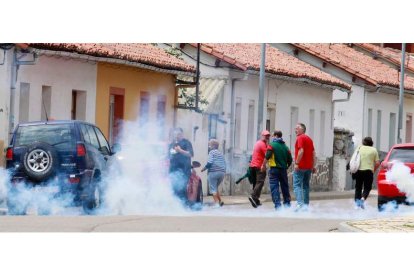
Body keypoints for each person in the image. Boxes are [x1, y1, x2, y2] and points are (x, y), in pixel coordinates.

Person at [265, 130, 293, 210]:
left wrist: (263, 165)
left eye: (273, 135)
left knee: (274, 187)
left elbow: (267, 156)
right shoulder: (286, 147)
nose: (272, 137)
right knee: (284, 186)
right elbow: (290, 160)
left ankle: (278, 205)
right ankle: (287, 204)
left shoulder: (271, 145)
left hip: (274, 169)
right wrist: (286, 166)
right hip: (283, 170)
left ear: (276, 136)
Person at [293, 123, 316, 211]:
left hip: (300, 166)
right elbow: (313, 154)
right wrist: (313, 166)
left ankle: (300, 204)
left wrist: (297, 163)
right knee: (306, 186)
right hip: (308, 167)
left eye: (297, 128)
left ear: (302, 129)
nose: (295, 130)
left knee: (297, 185)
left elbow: (301, 150)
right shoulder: (309, 139)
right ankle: (306, 205)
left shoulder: (300, 138)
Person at [168, 127, 194, 206]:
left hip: (184, 170)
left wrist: (180, 151)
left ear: (182, 134)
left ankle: (184, 207)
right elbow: (168, 157)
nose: (176, 136)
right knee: (174, 189)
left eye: (178, 134)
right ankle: (175, 206)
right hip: (173, 171)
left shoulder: (186, 143)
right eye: (175, 134)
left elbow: (191, 154)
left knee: (182, 189)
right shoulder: (171, 144)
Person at [353, 137, 380, 209]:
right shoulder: (374, 150)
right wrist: (373, 170)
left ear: (363, 142)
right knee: (367, 188)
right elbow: (377, 163)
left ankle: (357, 204)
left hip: (359, 171)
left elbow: (354, 158)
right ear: (371, 143)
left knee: (358, 187)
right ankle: (363, 198)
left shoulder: (359, 148)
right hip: (368, 171)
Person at [248, 130, 271, 208]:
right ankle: (253, 196)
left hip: (253, 166)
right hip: (259, 166)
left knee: (256, 183)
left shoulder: (258, 143)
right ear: (262, 136)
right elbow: (267, 155)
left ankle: (256, 201)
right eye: (265, 135)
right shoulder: (262, 144)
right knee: (260, 182)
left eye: (268, 136)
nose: (267, 137)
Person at [201, 139, 226, 207]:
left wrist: (204, 169)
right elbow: (224, 163)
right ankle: (220, 201)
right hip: (222, 173)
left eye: (210, 145)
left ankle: (216, 203)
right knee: (215, 187)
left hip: (213, 172)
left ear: (214, 146)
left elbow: (210, 163)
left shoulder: (211, 152)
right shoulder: (220, 153)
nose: (209, 146)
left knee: (213, 188)